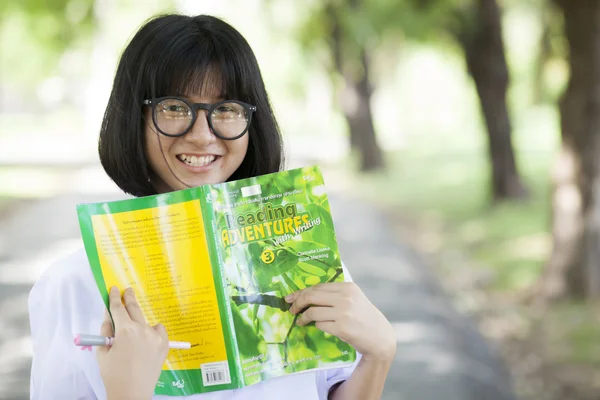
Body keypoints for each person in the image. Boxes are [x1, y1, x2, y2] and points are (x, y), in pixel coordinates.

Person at [28, 13, 396, 400]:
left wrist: (378, 355)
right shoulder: (72, 284)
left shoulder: (311, 260)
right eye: (174, 107)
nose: (203, 135)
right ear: (133, 117)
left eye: (226, 109)